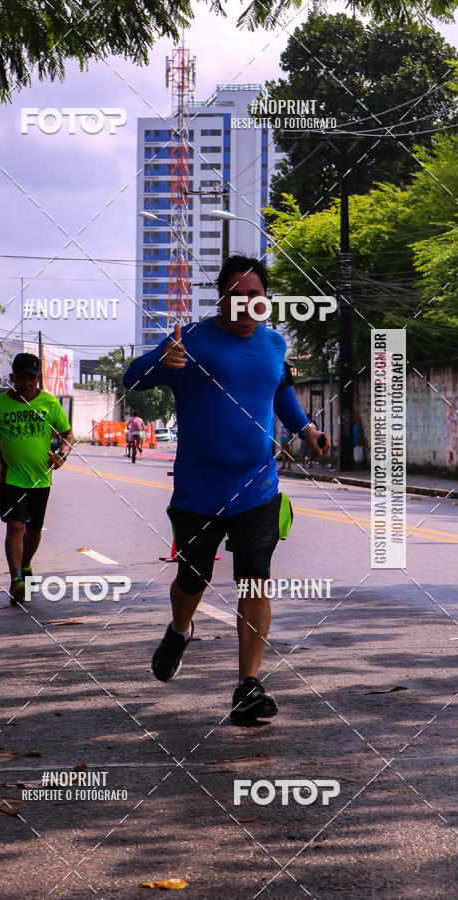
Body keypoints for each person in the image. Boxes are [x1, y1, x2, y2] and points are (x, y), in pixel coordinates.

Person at [123, 255, 330, 722]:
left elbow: (280, 393)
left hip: (258, 487)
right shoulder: (191, 339)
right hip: (198, 491)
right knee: (192, 577)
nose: (246, 304)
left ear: (265, 300)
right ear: (221, 298)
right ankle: (180, 630)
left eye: (255, 296)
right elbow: (131, 379)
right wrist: (161, 359)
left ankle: (248, 686)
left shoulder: (274, 344)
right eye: (237, 296)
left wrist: (306, 430)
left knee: (254, 578)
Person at [0, 353, 74, 605]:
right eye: (21, 378)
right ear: (12, 378)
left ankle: (25, 566)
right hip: (10, 478)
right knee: (15, 526)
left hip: (41, 480)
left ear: (38, 379)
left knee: (33, 533)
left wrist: (61, 455)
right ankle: (16, 581)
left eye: (31, 379)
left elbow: (68, 434)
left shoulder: (50, 403)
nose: (26, 384)